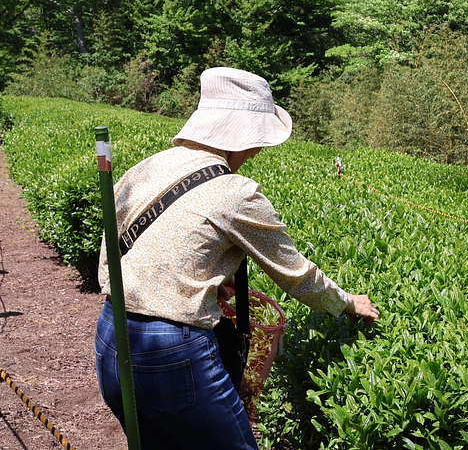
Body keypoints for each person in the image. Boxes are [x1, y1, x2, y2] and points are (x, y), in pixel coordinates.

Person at [95, 67, 379, 450]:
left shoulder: (147, 167)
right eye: (258, 139)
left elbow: (114, 255)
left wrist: (199, 280)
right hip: (174, 354)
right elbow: (296, 275)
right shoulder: (236, 192)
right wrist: (347, 303)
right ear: (242, 134)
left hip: (111, 336)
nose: (259, 150)